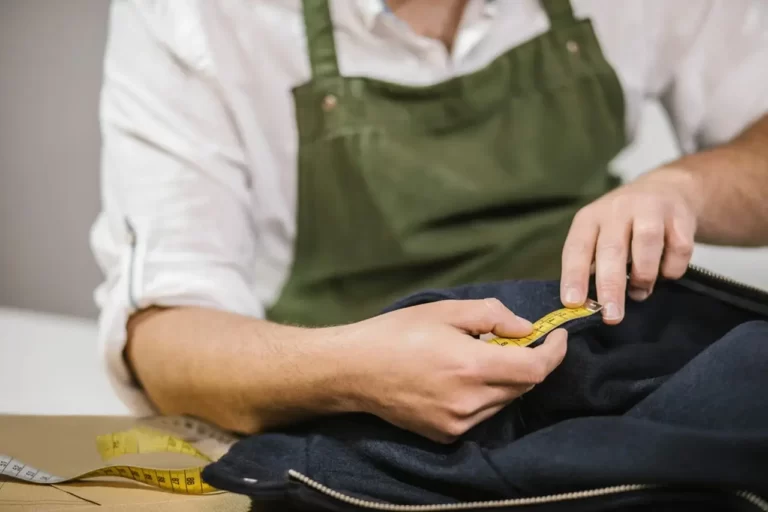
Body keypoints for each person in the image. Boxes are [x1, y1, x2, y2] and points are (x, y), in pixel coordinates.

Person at [90, 0, 768, 443]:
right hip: (338, 411)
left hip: (594, 388)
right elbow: (162, 341)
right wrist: (346, 368)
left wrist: (685, 186)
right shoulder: (197, 15)